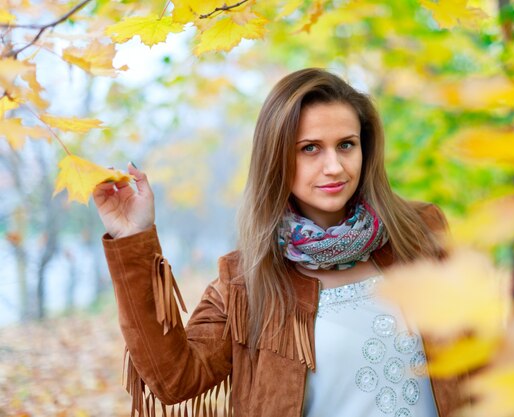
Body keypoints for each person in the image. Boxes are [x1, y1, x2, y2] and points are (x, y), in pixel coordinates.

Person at [93, 68, 465, 417]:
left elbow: (480, 359)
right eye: (310, 148)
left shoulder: (418, 235)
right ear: (276, 157)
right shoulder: (244, 281)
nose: (334, 166)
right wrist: (134, 239)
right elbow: (174, 379)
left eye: (346, 145)